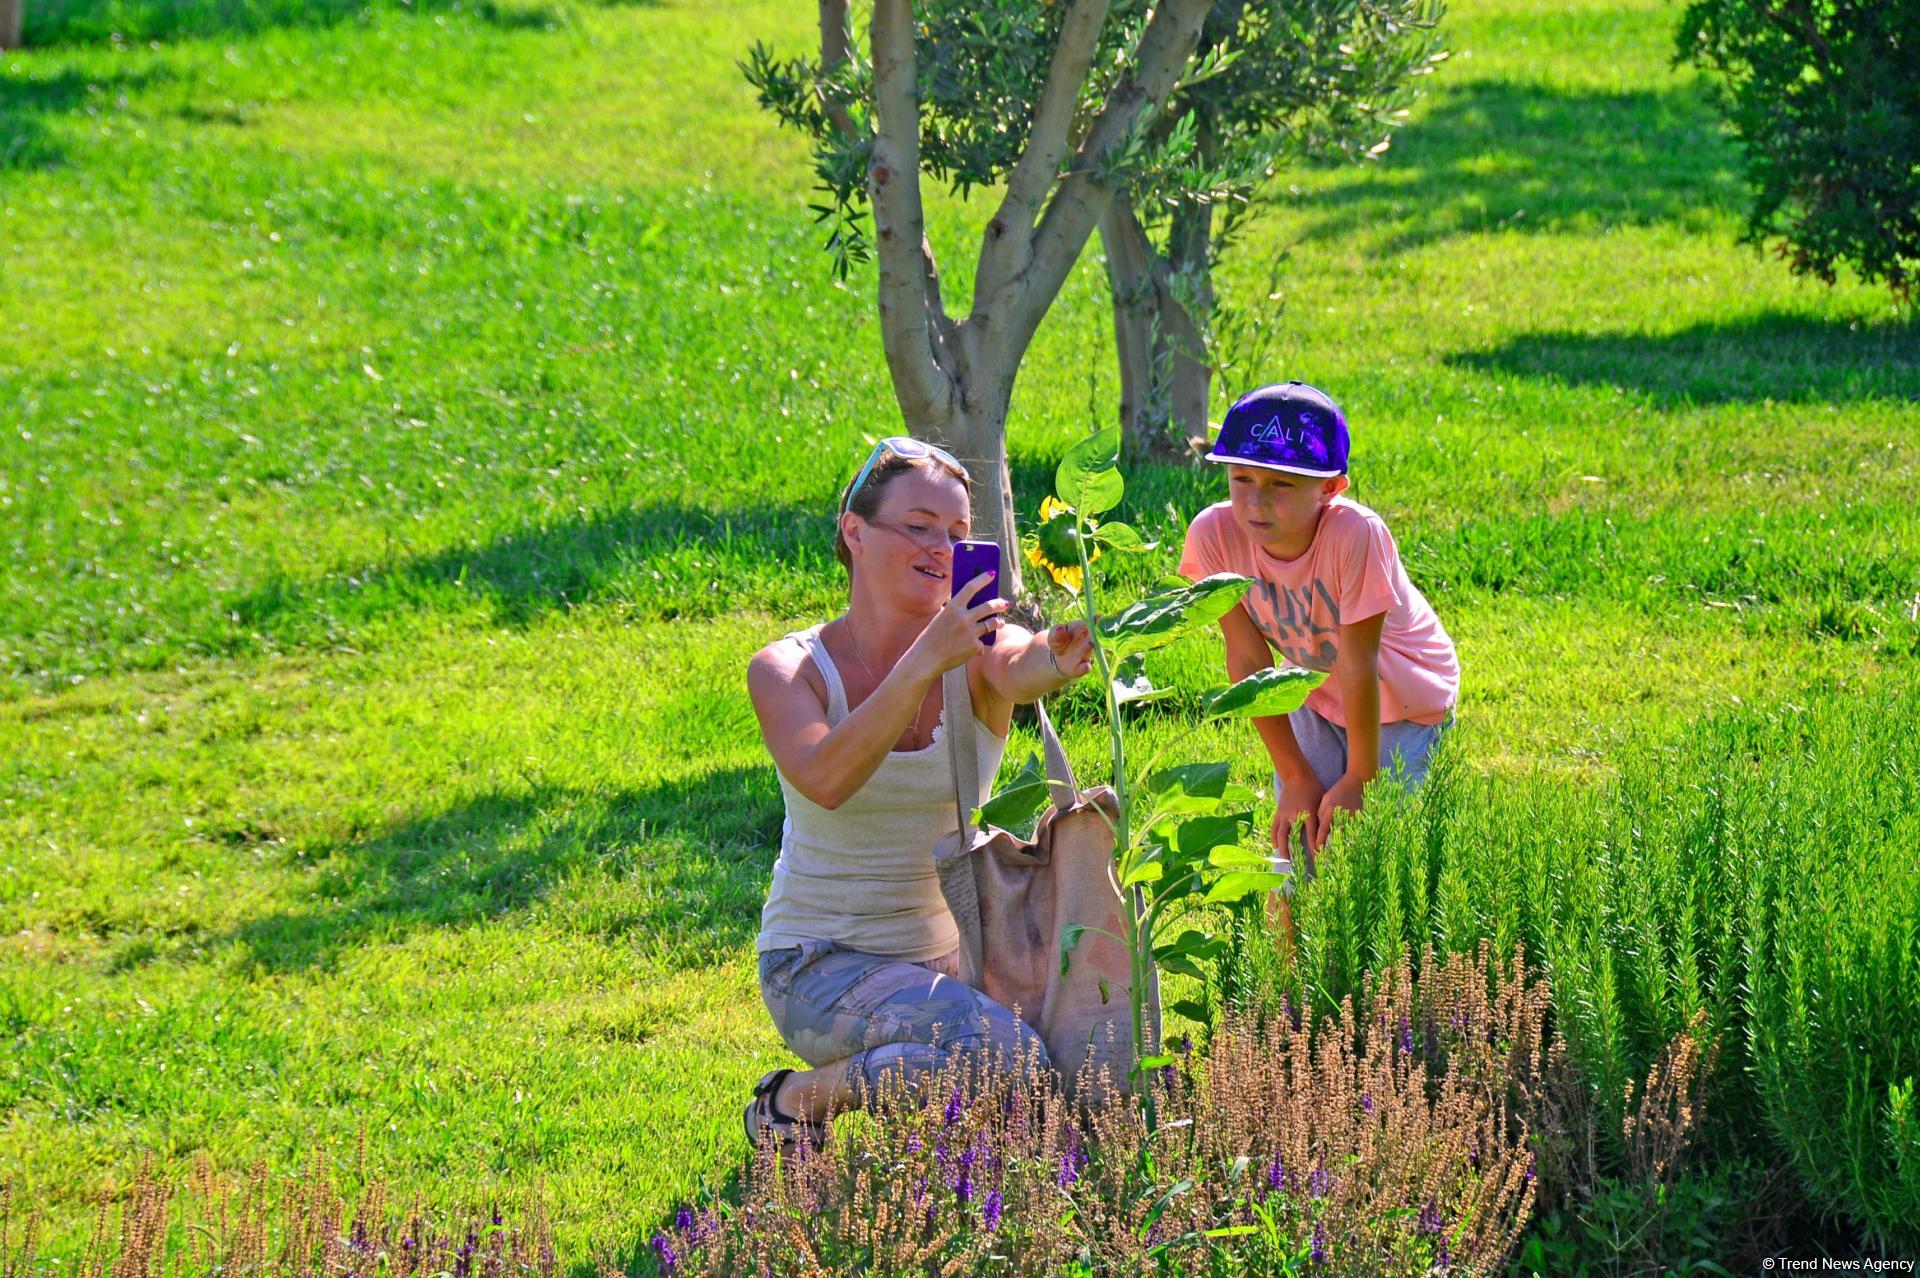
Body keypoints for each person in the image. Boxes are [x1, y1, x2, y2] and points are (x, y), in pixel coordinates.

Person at [743, 436, 1096, 1147]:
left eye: (959, 533)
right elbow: (826, 778)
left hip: (955, 958)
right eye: (919, 526)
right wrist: (922, 661)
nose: (942, 547)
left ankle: (907, 1085)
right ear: (855, 532)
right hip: (814, 965)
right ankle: (792, 1099)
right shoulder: (788, 669)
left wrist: (1056, 656)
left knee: (1080, 1052)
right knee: (1010, 1060)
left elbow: (1019, 663)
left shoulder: (977, 652)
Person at [1177, 382, 1458, 936]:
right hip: (1317, 686)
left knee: (1378, 857)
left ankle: (1389, 981)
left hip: (1404, 700)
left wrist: (1360, 777)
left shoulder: (1355, 534)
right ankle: (1285, 982)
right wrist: (1293, 773)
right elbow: (1247, 658)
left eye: (1281, 484)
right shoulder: (1213, 536)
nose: (1256, 501)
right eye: (1241, 479)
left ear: (1330, 487)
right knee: (1296, 844)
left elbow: (1359, 661)